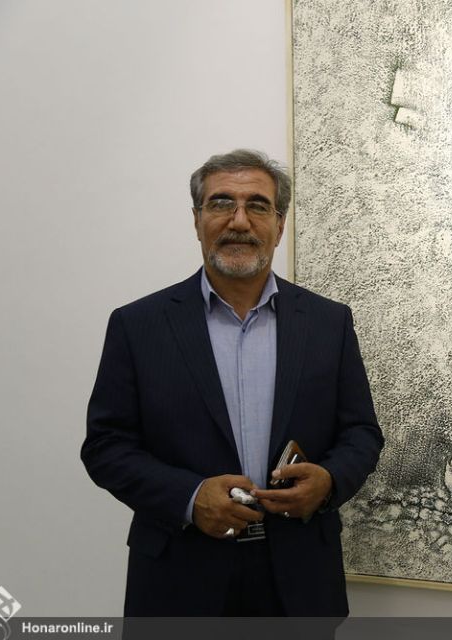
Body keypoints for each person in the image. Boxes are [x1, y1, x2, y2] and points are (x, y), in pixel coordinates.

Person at [81, 149, 383, 616]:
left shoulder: (329, 323)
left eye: (257, 206)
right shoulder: (137, 325)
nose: (239, 221)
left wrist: (327, 482)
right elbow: (106, 446)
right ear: (197, 219)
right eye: (221, 203)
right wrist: (189, 497)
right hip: (179, 579)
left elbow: (361, 433)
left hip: (299, 579)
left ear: (279, 225)